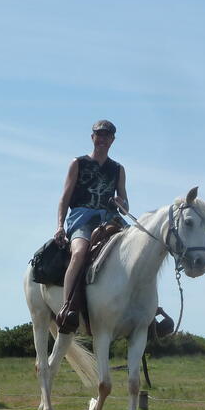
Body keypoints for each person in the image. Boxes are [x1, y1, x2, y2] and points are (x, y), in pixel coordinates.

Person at [54, 119, 128, 331]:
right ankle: (67, 307)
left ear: (112, 140)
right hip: (82, 217)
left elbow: (125, 201)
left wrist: (121, 203)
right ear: (92, 137)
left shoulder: (118, 169)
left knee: (138, 248)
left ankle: (146, 310)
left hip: (109, 218)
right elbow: (64, 198)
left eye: (107, 136)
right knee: (79, 253)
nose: (102, 139)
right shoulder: (78, 163)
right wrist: (60, 225)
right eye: (99, 135)